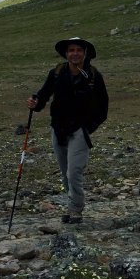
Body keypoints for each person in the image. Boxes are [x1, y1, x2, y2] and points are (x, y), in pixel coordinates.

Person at [27, 37, 109, 224]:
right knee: (65, 173)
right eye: (71, 50)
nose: (75, 53)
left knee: (74, 172)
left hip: (79, 131)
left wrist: (88, 128)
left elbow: (103, 108)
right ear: (66, 53)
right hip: (58, 129)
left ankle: (75, 210)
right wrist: (35, 103)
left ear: (85, 53)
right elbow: (43, 95)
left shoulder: (94, 76)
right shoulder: (56, 73)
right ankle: (72, 205)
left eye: (78, 50)